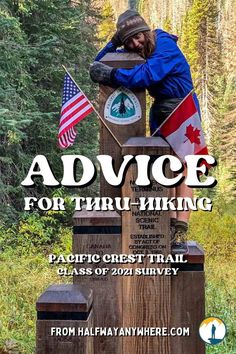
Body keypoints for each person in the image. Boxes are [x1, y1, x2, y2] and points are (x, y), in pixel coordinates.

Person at [90, 10, 200, 254]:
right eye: (128, 41)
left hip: (182, 108)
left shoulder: (164, 46)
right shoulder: (137, 48)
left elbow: (147, 75)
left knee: (184, 169)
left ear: (146, 31)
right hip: (161, 110)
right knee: (167, 168)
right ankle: (169, 226)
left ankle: (180, 231)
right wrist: (114, 42)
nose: (135, 44)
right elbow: (99, 62)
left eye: (137, 37)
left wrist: (113, 75)